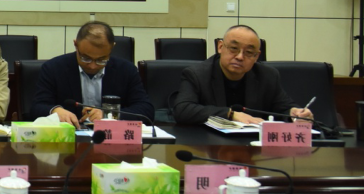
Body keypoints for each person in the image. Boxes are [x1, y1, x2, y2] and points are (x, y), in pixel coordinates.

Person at [173, 25, 313, 125]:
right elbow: (183, 110)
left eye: (249, 52)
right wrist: (230, 114)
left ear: (257, 56)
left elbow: (283, 107)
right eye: (234, 49)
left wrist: (294, 113)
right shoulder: (197, 74)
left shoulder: (267, 75)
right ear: (220, 47)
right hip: (210, 145)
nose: (240, 57)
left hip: (253, 148)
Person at [29, 21, 153, 125]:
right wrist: (56, 111)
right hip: (70, 138)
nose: (93, 66)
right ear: (76, 44)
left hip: (112, 138)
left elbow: (146, 109)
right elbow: (37, 107)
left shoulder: (126, 70)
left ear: (112, 47)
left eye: (101, 60)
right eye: (86, 58)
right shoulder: (54, 68)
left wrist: (109, 115)